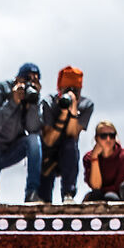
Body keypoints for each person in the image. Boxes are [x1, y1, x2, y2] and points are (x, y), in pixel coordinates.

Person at [0, 64, 43, 202]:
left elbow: (33, 128)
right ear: (17, 78)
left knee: (34, 139)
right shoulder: (2, 89)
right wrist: (13, 102)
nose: (29, 84)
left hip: (9, 151)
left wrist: (33, 103)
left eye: (34, 80)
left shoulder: (31, 98)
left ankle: (31, 193)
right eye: (27, 79)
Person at [37, 67, 93, 203]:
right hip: (47, 151)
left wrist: (73, 110)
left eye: (76, 90)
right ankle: (42, 200)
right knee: (43, 154)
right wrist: (62, 115)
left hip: (68, 153)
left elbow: (73, 134)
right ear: (59, 90)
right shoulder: (48, 103)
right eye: (67, 89)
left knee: (70, 144)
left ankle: (68, 194)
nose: (72, 93)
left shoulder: (86, 105)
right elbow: (49, 140)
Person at [84, 123, 124, 201]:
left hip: (118, 196)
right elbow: (95, 186)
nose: (108, 139)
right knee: (95, 196)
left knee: (110, 197)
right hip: (98, 194)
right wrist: (94, 158)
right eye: (103, 136)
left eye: (112, 135)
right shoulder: (88, 157)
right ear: (96, 139)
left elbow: (119, 185)